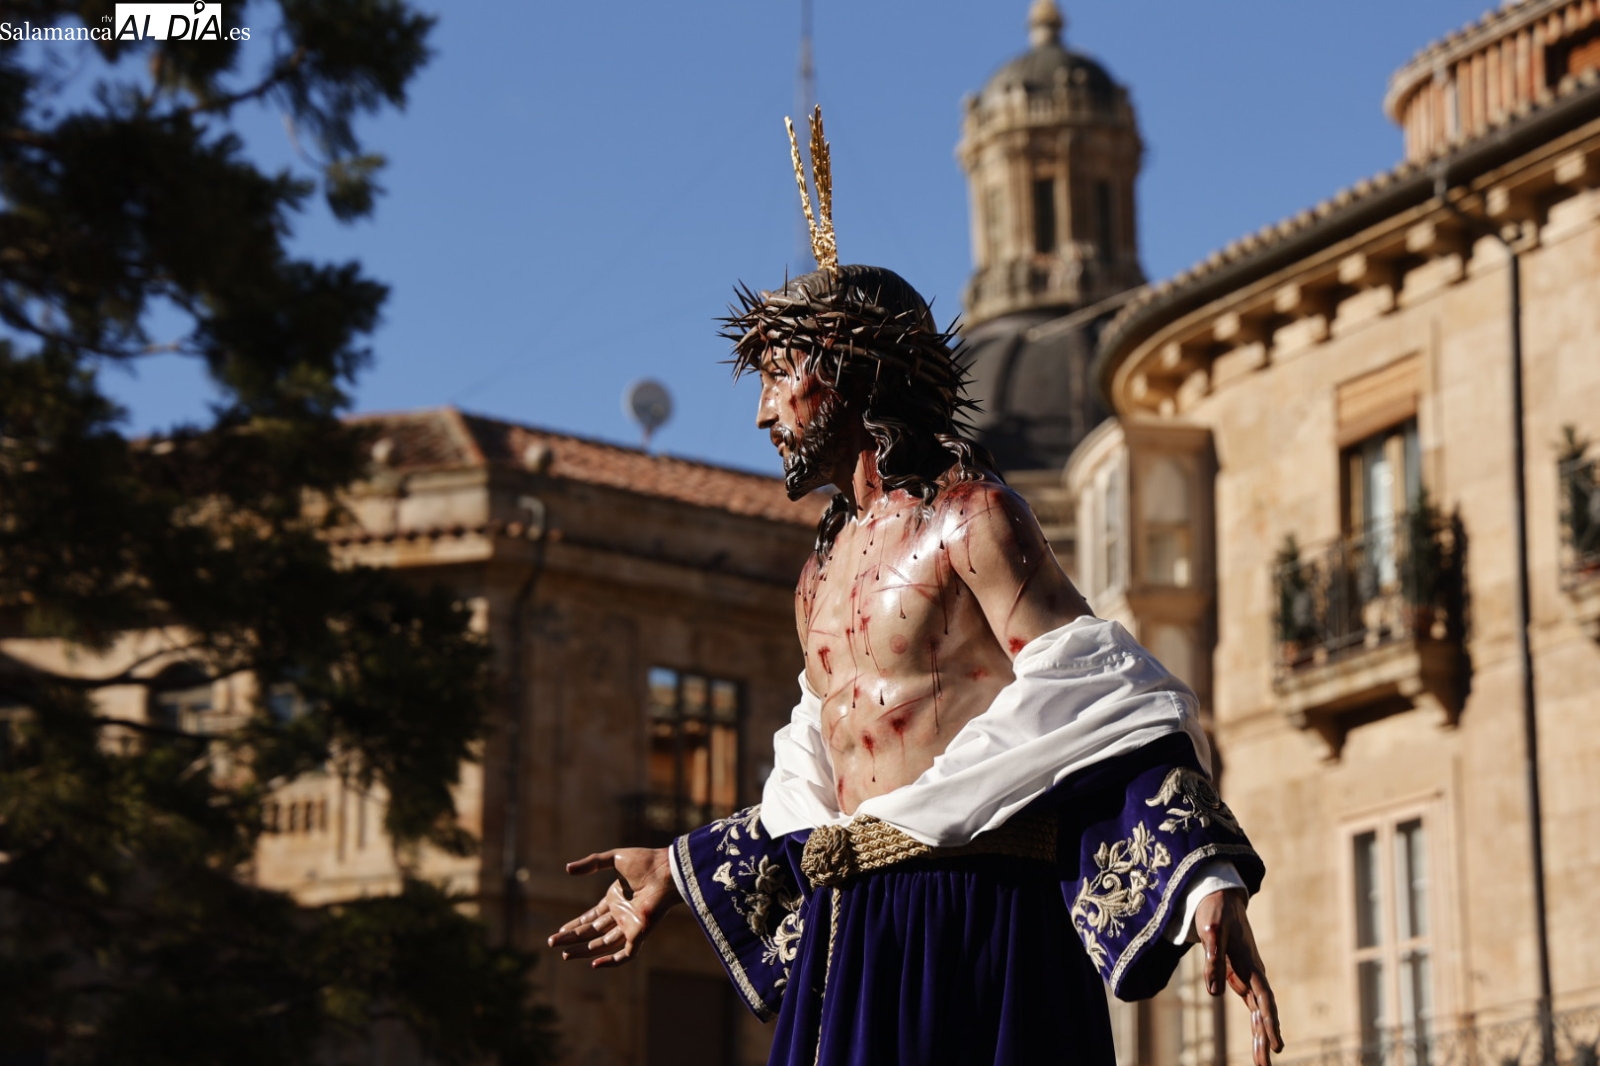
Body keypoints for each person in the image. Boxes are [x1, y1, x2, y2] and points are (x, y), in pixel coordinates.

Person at [551, 111, 1282, 1066]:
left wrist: (1202, 879)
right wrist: (680, 872)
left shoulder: (974, 521)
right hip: (850, 937)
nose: (765, 409)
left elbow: (1101, 703)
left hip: (977, 917)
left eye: (782, 376)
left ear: (852, 375)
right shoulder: (817, 577)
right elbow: (818, 782)